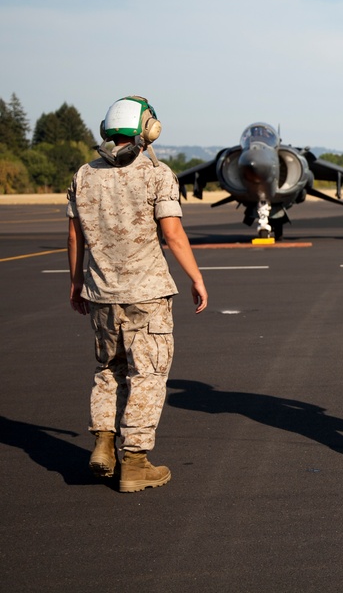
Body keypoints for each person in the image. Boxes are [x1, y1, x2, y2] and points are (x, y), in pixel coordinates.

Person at [67, 96, 208, 492]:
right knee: (147, 374)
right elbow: (173, 233)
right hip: (147, 294)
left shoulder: (84, 175)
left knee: (108, 370)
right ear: (149, 130)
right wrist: (196, 278)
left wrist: (76, 282)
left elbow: (75, 234)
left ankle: (103, 446)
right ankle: (135, 463)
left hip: (100, 294)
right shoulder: (158, 174)